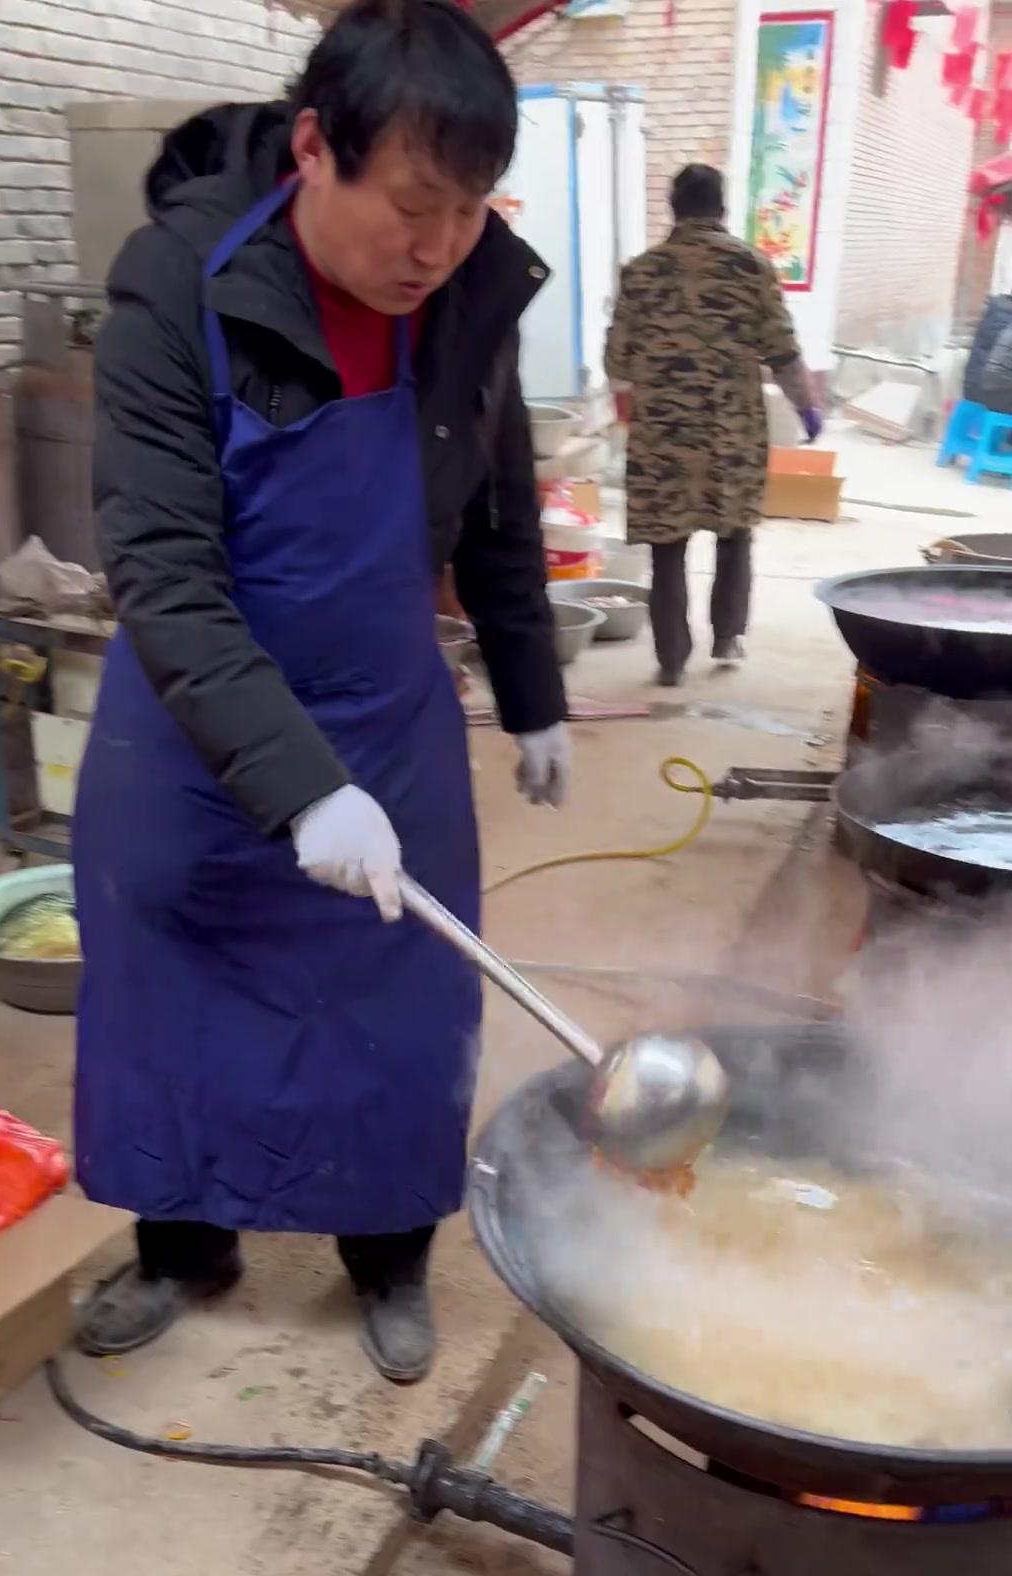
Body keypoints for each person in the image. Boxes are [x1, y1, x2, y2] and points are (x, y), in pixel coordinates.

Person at [72, 0, 569, 1383]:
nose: (439, 247)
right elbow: (166, 578)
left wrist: (533, 689)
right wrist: (297, 791)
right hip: (193, 729)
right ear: (312, 149)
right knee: (171, 999)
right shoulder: (175, 284)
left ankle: (387, 1259)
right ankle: (182, 1247)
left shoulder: (469, 295)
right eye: (414, 206)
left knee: (395, 1012)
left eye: (471, 211)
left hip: (386, 722)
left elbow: (501, 508)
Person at [605, 163, 820, 687]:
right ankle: (727, 638)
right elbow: (783, 353)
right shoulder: (752, 268)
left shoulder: (642, 271)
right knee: (734, 534)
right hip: (731, 432)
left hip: (663, 435)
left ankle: (672, 659)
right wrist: (808, 408)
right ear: (723, 208)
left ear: (673, 208)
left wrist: (629, 397)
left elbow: (617, 361)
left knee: (668, 544)